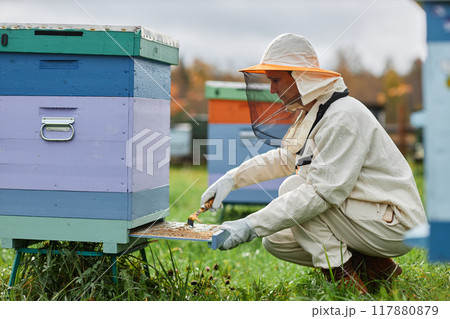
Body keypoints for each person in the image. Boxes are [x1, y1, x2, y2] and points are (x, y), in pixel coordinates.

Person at [200, 34, 427, 294]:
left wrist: (248, 225)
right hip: (369, 216)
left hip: (395, 223)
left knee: (295, 190)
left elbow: (320, 193)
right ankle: (380, 270)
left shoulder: (342, 117)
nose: (272, 89)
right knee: (276, 239)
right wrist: (232, 178)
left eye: (275, 80)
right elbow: (286, 158)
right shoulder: (316, 112)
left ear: (300, 77)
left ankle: (346, 284)